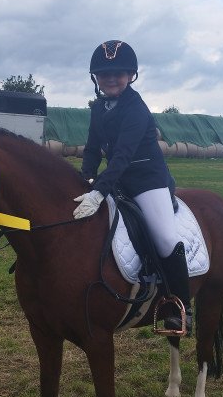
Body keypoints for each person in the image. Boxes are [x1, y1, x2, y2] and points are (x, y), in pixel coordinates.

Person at [72, 39, 192, 334]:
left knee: (165, 238)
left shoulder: (136, 109)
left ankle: (182, 305)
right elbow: (91, 148)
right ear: (96, 79)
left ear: (130, 75)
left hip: (147, 181)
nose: (111, 78)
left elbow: (123, 155)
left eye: (119, 72)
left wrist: (99, 190)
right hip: (118, 180)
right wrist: (84, 178)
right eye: (104, 74)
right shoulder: (99, 108)